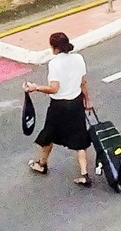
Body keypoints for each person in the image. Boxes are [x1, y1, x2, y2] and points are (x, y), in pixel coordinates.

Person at [25, 32, 93, 186]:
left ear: (54, 48)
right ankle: (84, 174)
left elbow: (54, 88)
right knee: (80, 137)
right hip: (76, 103)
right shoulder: (78, 58)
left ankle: (41, 164)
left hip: (59, 106)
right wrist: (87, 100)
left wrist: (36, 87)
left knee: (49, 134)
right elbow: (83, 82)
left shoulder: (54, 64)